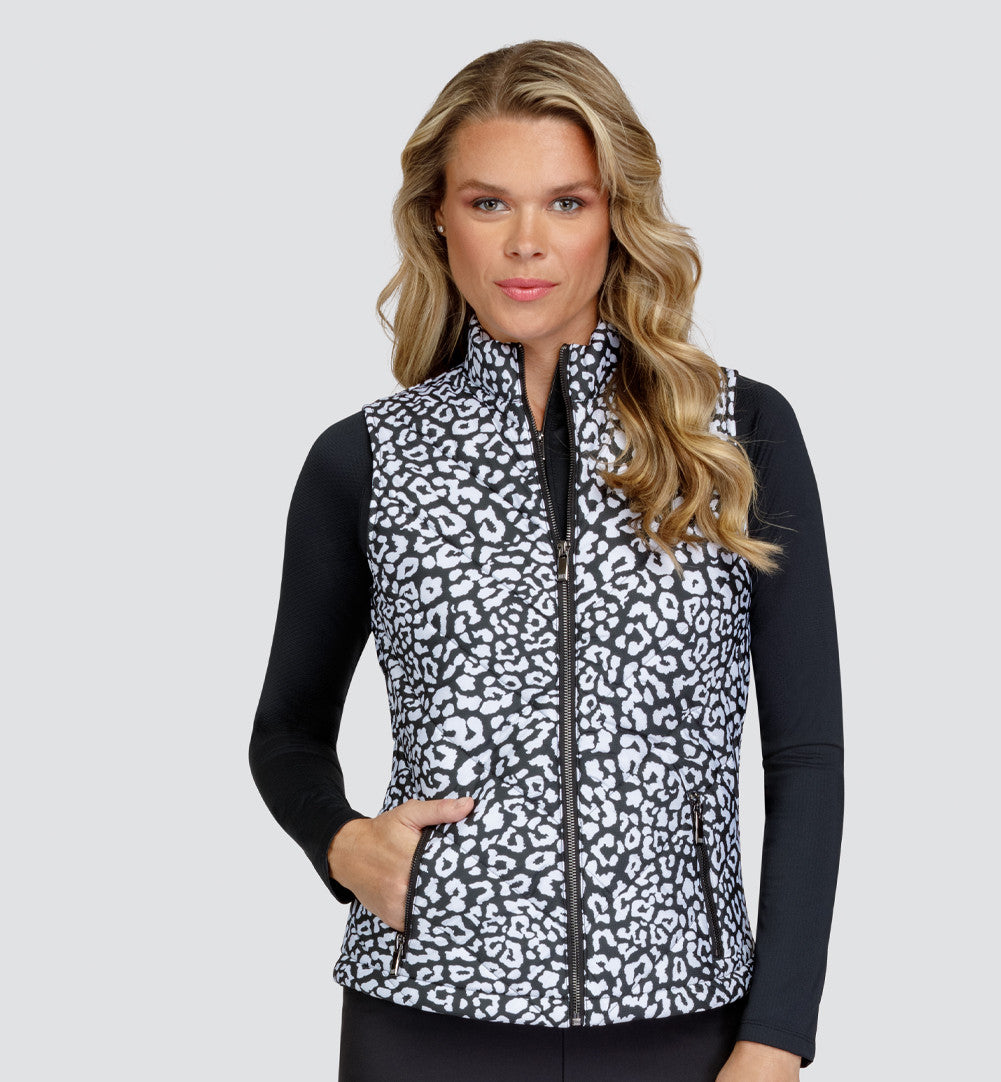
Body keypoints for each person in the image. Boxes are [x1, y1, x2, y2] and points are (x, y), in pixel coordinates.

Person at [249, 39, 844, 1082]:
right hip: (424, 1014)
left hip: (681, 1020)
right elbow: (285, 732)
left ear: (617, 215)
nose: (526, 242)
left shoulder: (737, 432)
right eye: (489, 202)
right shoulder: (368, 458)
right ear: (438, 217)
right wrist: (342, 844)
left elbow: (806, 757)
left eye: (566, 203)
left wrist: (778, 1033)